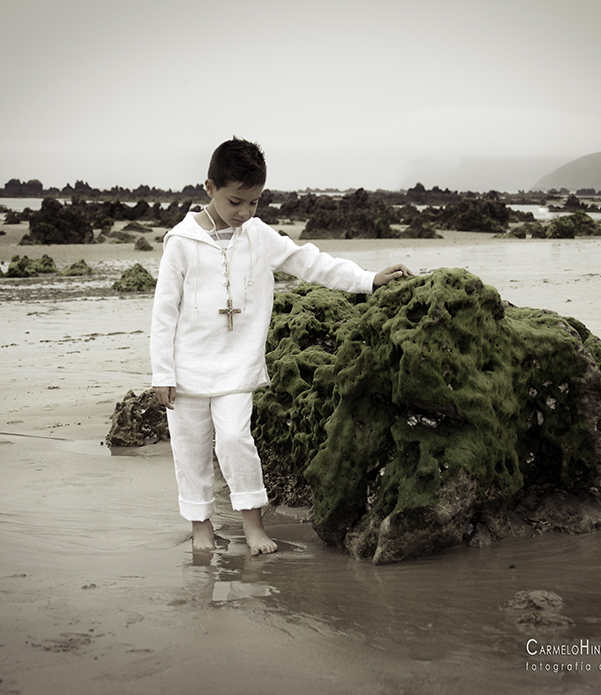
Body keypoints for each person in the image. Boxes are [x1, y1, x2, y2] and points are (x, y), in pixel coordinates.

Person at [150, 137, 411, 555]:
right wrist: (162, 372)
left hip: (238, 367)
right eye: (236, 201)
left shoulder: (258, 236)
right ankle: (201, 527)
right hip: (187, 370)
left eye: (254, 203)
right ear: (209, 188)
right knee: (191, 448)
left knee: (235, 440)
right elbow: (164, 313)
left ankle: (253, 526)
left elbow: (310, 262)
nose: (244, 212)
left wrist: (368, 280)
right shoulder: (180, 243)